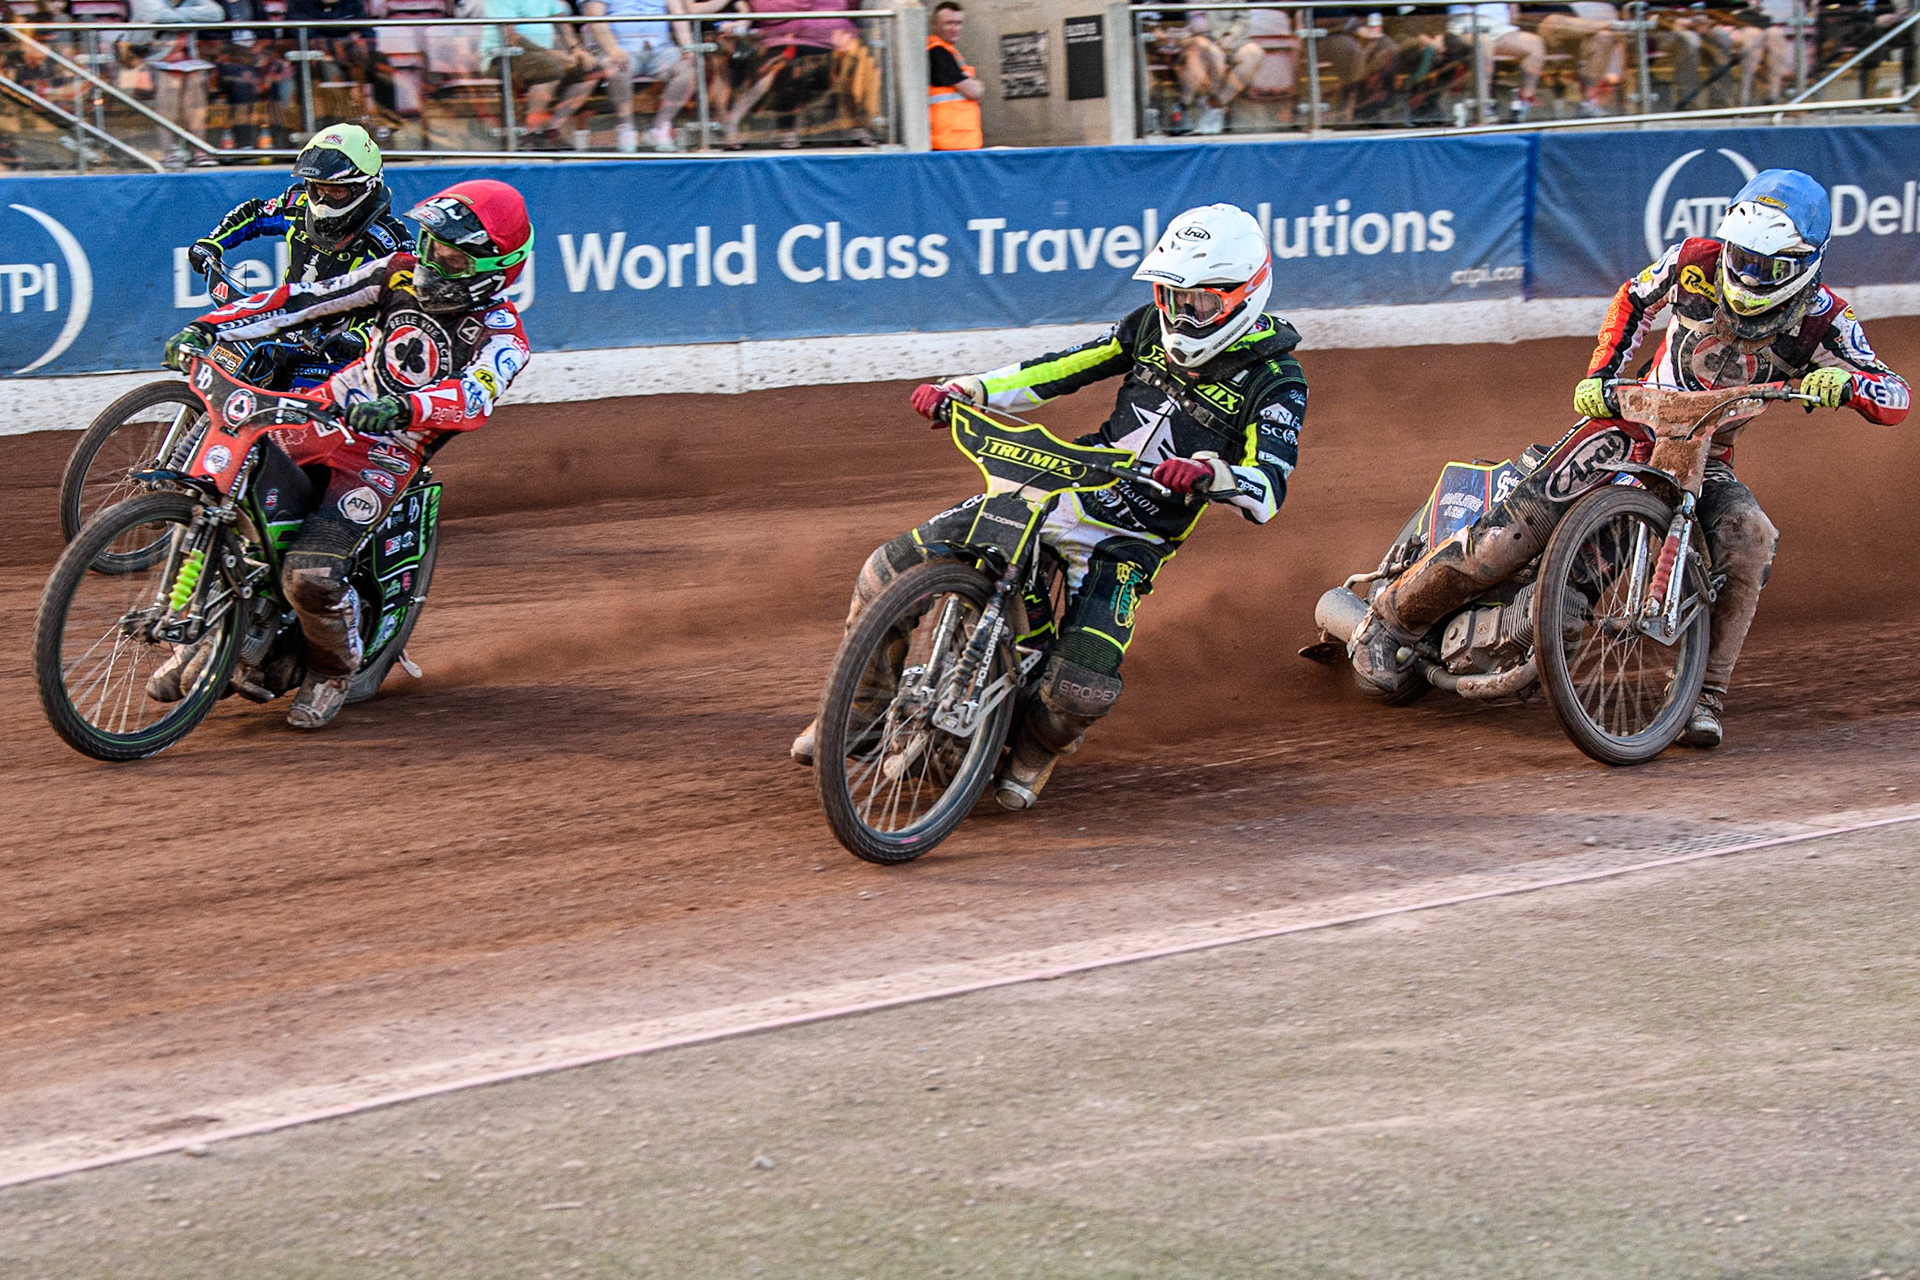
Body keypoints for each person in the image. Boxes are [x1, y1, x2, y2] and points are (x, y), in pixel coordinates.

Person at [1350, 170, 1910, 749]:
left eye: (1767, 268)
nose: (1748, 276)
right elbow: (1634, 298)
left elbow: (1895, 392)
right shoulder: (1694, 260)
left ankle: (1703, 695)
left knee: (1750, 538)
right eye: (1742, 258)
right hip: (1630, 422)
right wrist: (1602, 374)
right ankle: (1388, 622)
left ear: (1807, 263)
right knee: (1510, 533)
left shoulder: (1827, 320)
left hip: (1705, 456)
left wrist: (1849, 386)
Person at [791, 204, 1308, 809]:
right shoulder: (1147, 328)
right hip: (1062, 482)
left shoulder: (1277, 379)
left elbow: (1268, 489)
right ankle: (859, 712)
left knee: (1081, 686)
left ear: (1245, 294)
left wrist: (1211, 473)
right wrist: (971, 388)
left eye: (1199, 303)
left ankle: (1036, 746)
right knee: (886, 569)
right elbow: (1060, 368)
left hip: (1132, 535)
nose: (1180, 315)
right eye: (1171, 297)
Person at [156, 179, 535, 729]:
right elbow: (300, 302)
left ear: (493, 269)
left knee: (310, 573)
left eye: (451, 255)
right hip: (324, 411)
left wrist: (404, 408)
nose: (431, 259)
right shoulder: (396, 272)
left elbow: (473, 397)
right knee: (218, 496)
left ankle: (331, 671)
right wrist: (208, 328)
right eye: (430, 243)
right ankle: (206, 635)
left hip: (387, 450)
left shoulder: (503, 335)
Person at [187, 122, 409, 372]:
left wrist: (360, 336)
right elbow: (255, 214)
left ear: (365, 187)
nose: (323, 200)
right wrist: (212, 242)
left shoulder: (391, 240)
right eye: (318, 188)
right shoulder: (298, 204)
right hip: (286, 326)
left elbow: (406, 304)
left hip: (341, 356)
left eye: (336, 192)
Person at [925, 0, 980, 148]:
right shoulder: (938, 52)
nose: (954, 28)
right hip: (950, 142)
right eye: (948, 23)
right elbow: (973, 92)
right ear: (935, 25)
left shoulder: (949, 52)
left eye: (958, 23)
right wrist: (978, 85)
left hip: (956, 141)